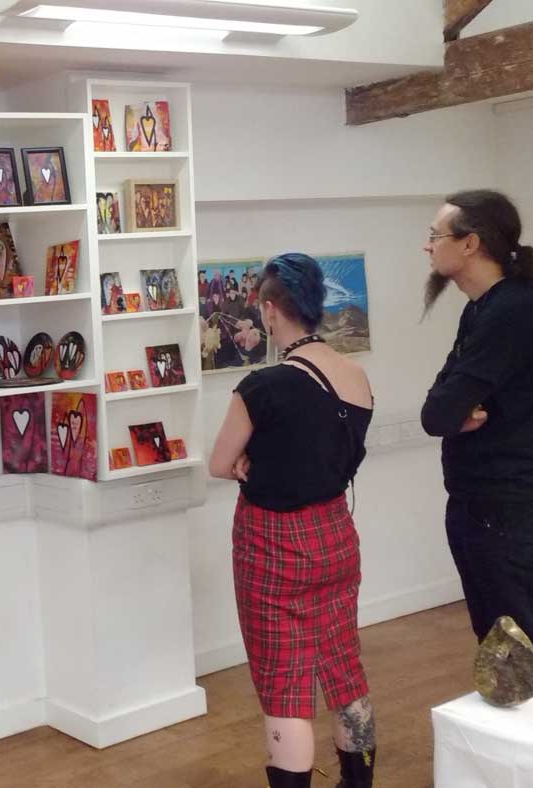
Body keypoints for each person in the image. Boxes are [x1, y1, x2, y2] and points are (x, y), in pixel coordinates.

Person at [209, 253, 377, 788]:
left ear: (269, 310)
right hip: (336, 536)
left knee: (285, 684)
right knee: (343, 667)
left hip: (273, 546)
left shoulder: (262, 386)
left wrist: (247, 460)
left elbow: (219, 463)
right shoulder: (356, 376)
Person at [420, 189, 533, 670]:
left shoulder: (514, 312)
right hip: (481, 502)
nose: (427, 246)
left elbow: (438, 414)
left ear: (470, 243)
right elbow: (440, 408)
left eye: (435, 235)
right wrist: (451, 407)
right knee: (500, 643)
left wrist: (453, 409)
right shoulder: (482, 309)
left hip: (506, 505)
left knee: (527, 643)